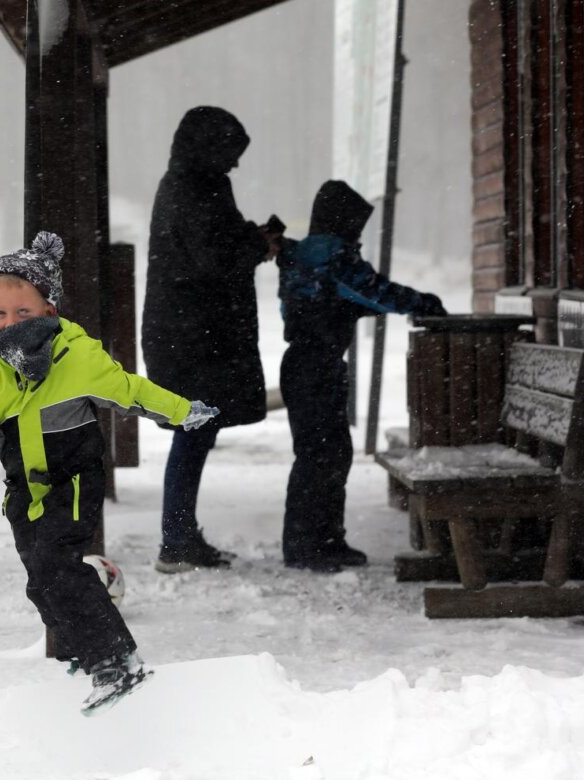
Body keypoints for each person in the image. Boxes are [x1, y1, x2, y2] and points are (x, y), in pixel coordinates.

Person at [0, 231, 220, 715]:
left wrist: (179, 411)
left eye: (23, 313)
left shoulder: (77, 357)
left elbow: (130, 392)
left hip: (72, 480)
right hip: (22, 490)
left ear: (49, 311)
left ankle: (114, 660)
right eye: (1, 314)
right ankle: (82, 645)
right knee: (40, 581)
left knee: (55, 566)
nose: (10, 323)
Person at [277, 179, 447, 573]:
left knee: (320, 454)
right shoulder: (332, 256)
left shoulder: (302, 256)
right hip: (318, 367)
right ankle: (312, 544)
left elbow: (334, 298)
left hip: (303, 364)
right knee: (325, 456)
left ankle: (315, 539)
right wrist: (423, 304)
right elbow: (373, 291)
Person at [141, 106, 282, 574]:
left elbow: (215, 241)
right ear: (208, 148)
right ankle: (176, 540)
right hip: (191, 335)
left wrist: (250, 238)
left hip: (193, 332)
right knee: (193, 431)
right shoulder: (190, 187)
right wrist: (258, 246)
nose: (236, 163)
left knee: (196, 432)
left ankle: (179, 536)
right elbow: (211, 258)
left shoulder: (197, 183)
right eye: (230, 152)